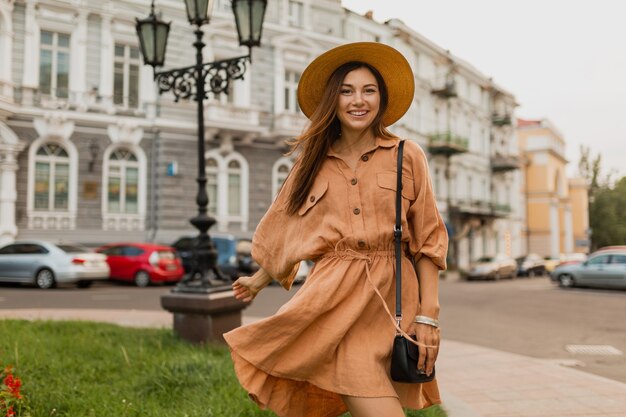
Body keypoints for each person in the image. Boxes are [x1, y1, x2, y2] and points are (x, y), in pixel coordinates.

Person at [223, 42, 449, 417]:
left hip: (393, 301)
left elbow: (428, 239)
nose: (357, 101)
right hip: (334, 300)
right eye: (346, 91)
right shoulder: (312, 162)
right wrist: (259, 279)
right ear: (333, 100)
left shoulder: (407, 155)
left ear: (381, 98)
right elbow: (291, 228)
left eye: (368, 90)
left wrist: (429, 315)